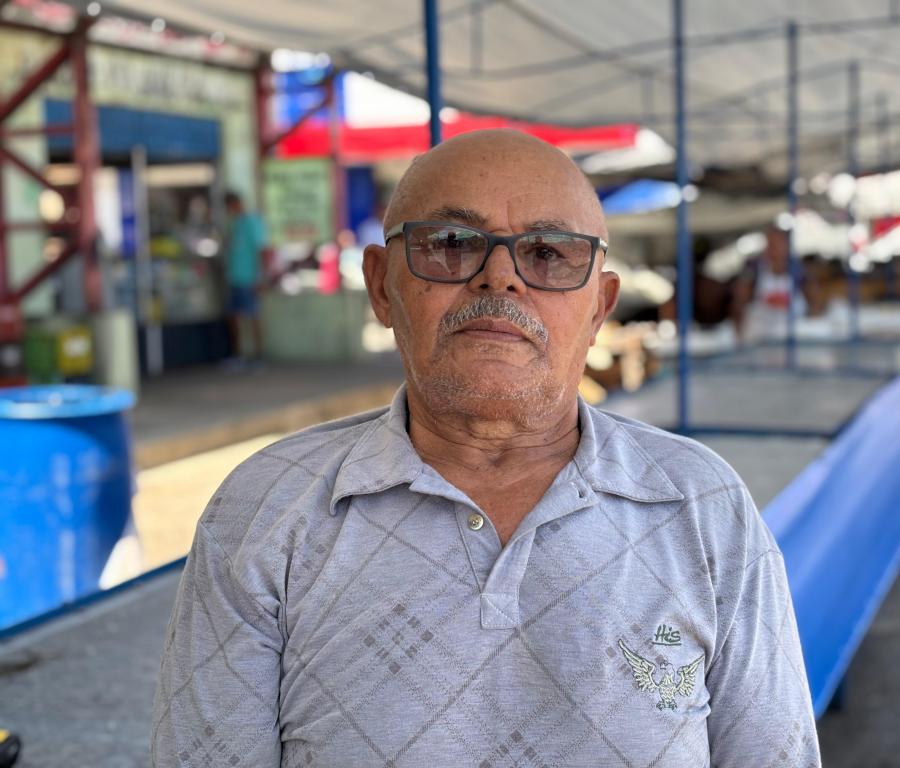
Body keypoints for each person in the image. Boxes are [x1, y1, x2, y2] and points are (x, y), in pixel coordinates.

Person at [152, 130, 821, 767]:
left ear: (599, 307)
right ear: (382, 287)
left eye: (548, 253)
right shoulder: (266, 511)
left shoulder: (702, 507)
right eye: (450, 244)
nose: (500, 278)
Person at [223, 191, 267, 361]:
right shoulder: (235, 224)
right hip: (235, 277)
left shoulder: (251, 222)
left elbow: (260, 250)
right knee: (234, 316)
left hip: (249, 279)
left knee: (253, 316)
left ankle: (259, 355)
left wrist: (260, 278)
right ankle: (238, 354)